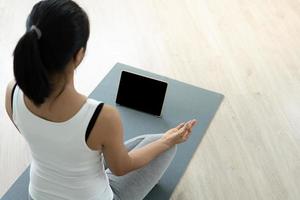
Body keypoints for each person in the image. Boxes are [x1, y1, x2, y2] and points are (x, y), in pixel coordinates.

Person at [4, 0, 197, 199]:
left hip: (37, 195)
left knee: (114, 148)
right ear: (79, 54)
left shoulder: (12, 91)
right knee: (162, 145)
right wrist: (167, 141)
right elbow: (122, 167)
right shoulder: (100, 116)